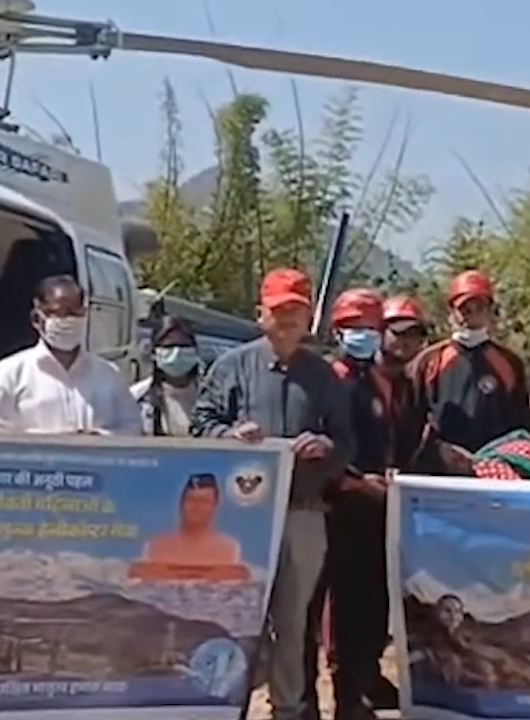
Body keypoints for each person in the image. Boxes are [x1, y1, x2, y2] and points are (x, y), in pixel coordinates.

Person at [191, 267, 354, 720]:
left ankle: (287, 708)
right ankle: (226, 707)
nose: (287, 320)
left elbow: (347, 443)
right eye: (279, 310)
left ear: (309, 319)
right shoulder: (232, 366)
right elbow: (200, 425)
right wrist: (229, 435)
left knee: (293, 620)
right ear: (260, 313)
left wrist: (325, 447)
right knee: (233, 617)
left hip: (303, 512)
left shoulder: (323, 376)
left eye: (296, 311)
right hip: (239, 518)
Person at [324, 289, 421, 719]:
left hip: (378, 508)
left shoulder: (380, 382)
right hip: (339, 508)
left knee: (373, 602)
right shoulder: (329, 379)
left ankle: (364, 682)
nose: (363, 335)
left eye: (370, 327)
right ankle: (346, 698)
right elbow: (321, 443)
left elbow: (390, 440)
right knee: (345, 605)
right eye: (353, 327)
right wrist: (355, 481)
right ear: (337, 331)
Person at [0, 275, 141, 435]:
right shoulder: (11, 372)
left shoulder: (109, 375)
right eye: (59, 313)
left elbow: (132, 427)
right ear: (37, 318)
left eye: (75, 312)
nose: (68, 319)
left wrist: (97, 438)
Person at [409, 270, 530, 457]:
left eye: (479, 308)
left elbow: (521, 422)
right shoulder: (430, 361)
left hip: (495, 463)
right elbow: (412, 420)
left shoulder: (509, 363)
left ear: (490, 311)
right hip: (441, 466)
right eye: (465, 310)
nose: (472, 316)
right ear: (452, 312)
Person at [142, 473, 241, 566]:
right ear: (181, 504)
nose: (196, 506)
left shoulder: (230, 550)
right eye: (191, 499)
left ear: (215, 506)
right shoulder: (154, 548)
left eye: (204, 501)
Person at [130, 316, 201, 436]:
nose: (177, 352)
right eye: (169, 346)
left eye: (184, 346)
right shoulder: (136, 397)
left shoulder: (212, 397)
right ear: (154, 352)